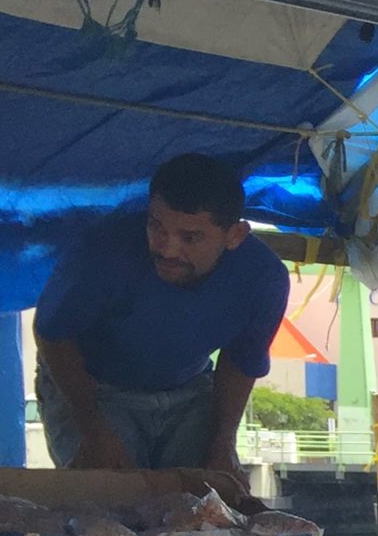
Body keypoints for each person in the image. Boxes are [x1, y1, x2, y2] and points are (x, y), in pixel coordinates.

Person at [33, 155, 289, 471]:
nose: (167, 249)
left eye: (190, 237)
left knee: (205, 499)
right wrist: (94, 433)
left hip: (190, 390)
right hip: (93, 388)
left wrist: (222, 444)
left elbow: (240, 362)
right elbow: (53, 336)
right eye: (157, 227)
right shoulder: (100, 251)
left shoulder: (264, 278)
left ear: (234, 235)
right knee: (110, 499)